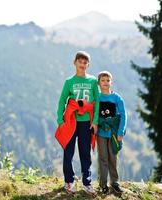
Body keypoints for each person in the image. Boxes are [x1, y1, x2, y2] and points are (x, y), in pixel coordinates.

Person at [56, 51, 99, 195]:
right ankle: (69, 181)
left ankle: (87, 182)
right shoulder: (69, 81)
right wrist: (60, 119)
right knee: (68, 151)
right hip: (71, 121)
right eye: (80, 61)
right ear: (74, 62)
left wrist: (95, 121)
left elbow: (97, 102)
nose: (82, 64)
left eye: (85, 62)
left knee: (85, 152)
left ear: (88, 65)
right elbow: (62, 100)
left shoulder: (93, 81)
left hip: (86, 122)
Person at [96, 71, 127, 194]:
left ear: (111, 82)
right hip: (101, 134)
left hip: (114, 133)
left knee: (113, 158)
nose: (105, 83)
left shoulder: (117, 98)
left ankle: (114, 183)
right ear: (98, 83)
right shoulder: (97, 97)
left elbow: (123, 115)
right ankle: (103, 184)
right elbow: (93, 113)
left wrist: (121, 132)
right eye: (103, 80)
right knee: (103, 158)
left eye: (108, 80)